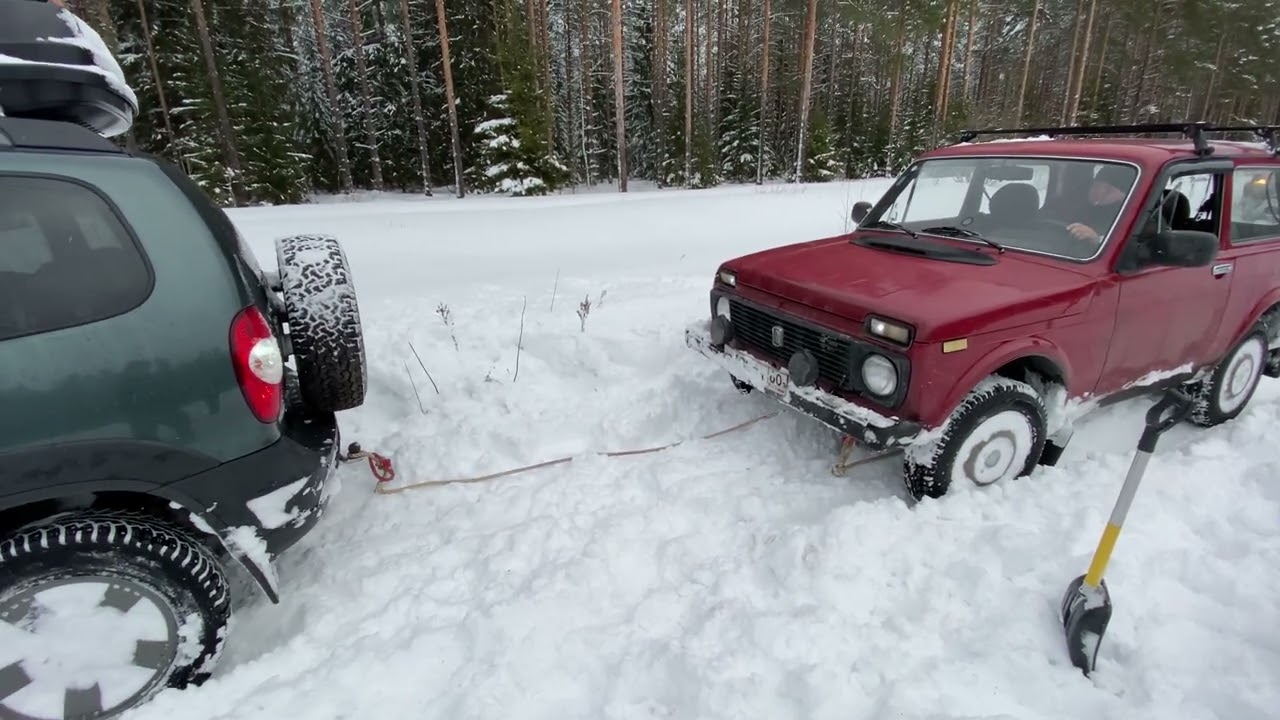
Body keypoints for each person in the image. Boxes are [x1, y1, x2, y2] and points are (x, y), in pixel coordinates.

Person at [1065, 164, 1133, 244]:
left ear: (1123, 196)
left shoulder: (1128, 215)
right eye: (1096, 186)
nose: (1099, 192)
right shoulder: (1074, 205)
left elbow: (1124, 243)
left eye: (1108, 190)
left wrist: (1096, 239)